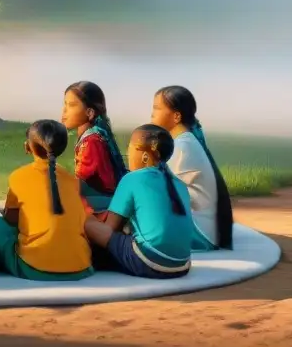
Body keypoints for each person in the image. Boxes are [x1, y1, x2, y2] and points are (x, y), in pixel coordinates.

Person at [0, 120, 93, 280]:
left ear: (27, 147)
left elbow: (11, 220)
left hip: (33, 268)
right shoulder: (72, 181)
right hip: (81, 267)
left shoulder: (18, 177)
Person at [84, 124, 193, 279]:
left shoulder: (132, 179)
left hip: (150, 262)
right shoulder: (179, 184)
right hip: (182, 265)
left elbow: (109, 230)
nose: (128, 153)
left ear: (145, 156)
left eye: (131, 147)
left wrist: (88, 216)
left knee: (88, 222)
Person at [153, 85, 234, 250]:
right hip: (197, 223)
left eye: (157, 108)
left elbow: (161, 191)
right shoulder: (183, 141)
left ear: (176, 116)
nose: (152, 114)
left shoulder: (182, 147)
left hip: (198, 231)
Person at [62, 81, 127, 217]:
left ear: (90, 112)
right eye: (65, 104)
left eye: (72, 105)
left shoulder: (92, 142)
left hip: (102, 204)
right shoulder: (93, 135)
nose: (64, 111)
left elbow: (80, 181)